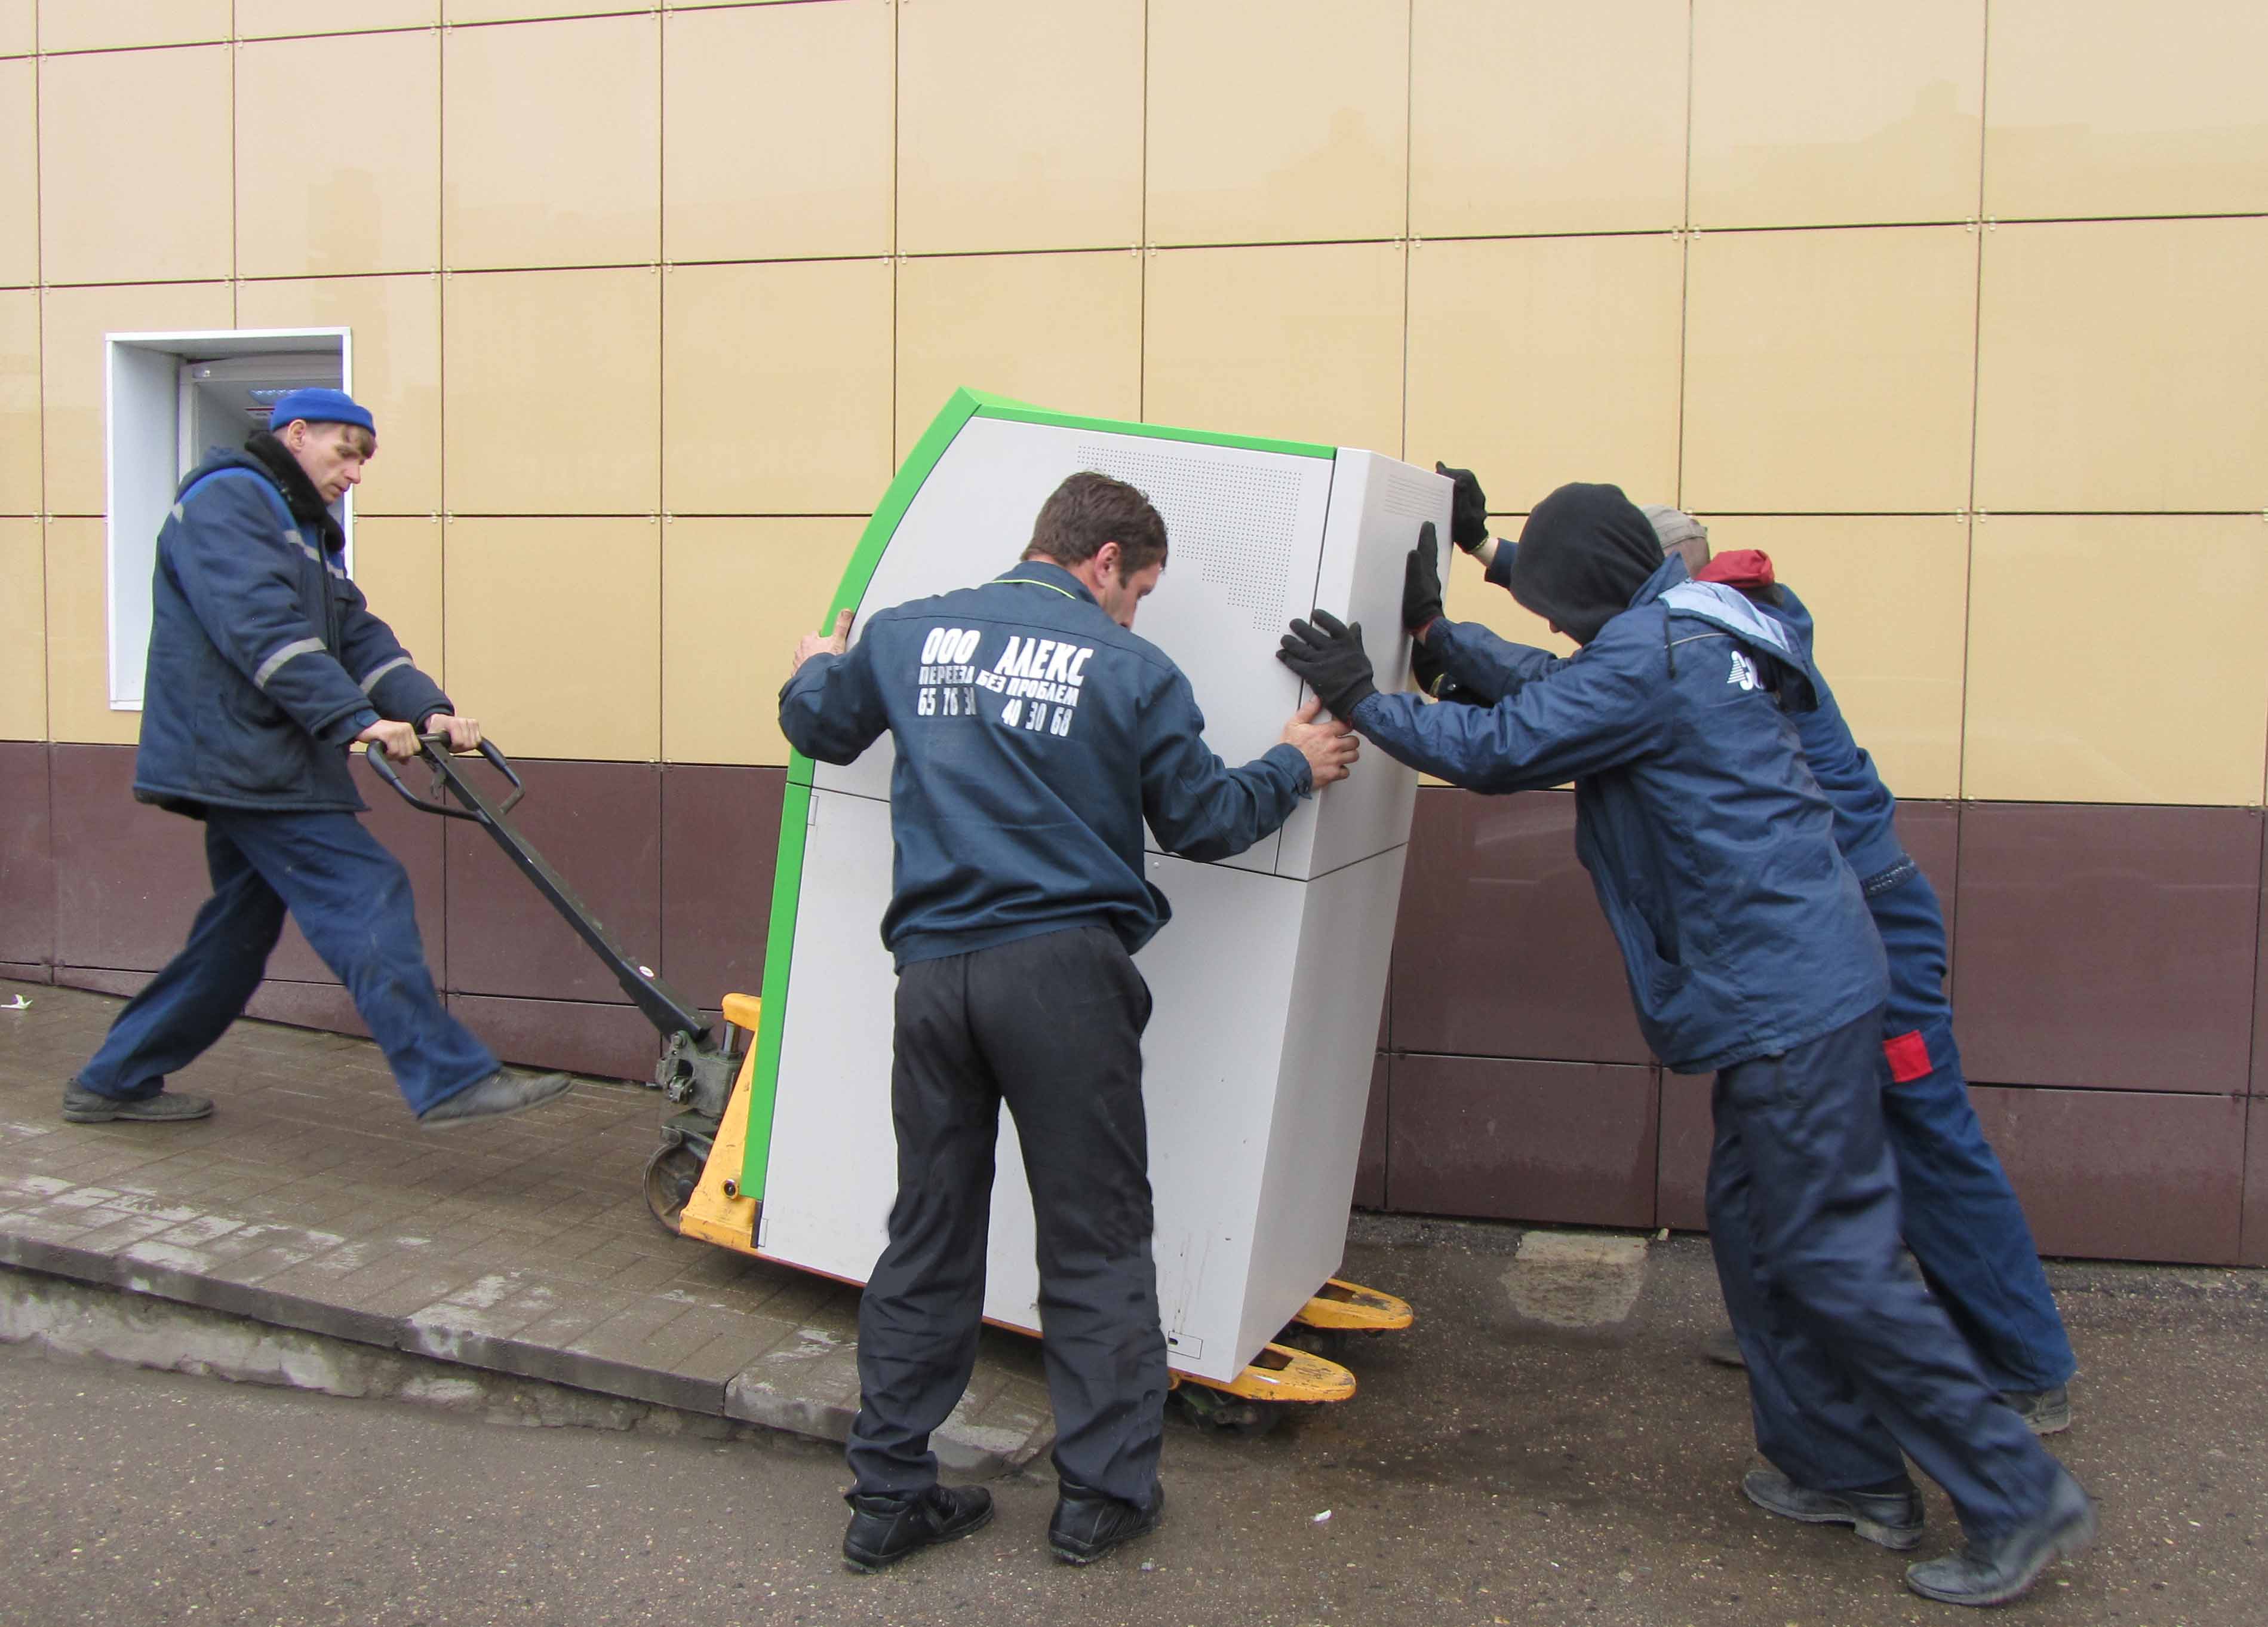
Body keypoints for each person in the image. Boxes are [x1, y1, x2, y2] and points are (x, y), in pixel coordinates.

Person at [1276, 483, 2092, 1608]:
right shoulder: (1683, 630)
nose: (1557, 625)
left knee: (1835, 1261)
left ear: (1594, 592)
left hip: (1787, 1002)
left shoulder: (1651, 658)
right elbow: (1553, 688)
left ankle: (2016, 1494)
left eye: (1561, 604)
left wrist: (1363, 695)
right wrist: (1433, 637)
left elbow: (1506, 738)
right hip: (1794, 989)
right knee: (1762, 1237)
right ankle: (1841, 1470)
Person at [779, 471, 1359, 1574]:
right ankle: (1098, 1498)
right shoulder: (1132, 667)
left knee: (929, 1229)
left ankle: (887, 1494)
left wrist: (816, 661)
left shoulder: (906, 634)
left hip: (935, 972)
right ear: (1104, 563)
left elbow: (819, 726)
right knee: (1094, 1236)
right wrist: (1295, 762)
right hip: (1061, 977)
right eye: (1138, 587)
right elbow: (1200, 817)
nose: (1135, 608)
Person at [1432, 475, 2079, 1434]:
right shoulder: (1699, 626)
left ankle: (2022, 1363)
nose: (1590, 627)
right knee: (1768, 1170)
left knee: (1923, 1135)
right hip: (1823, 928)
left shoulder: (1719, 636)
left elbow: (1576, 684)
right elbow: (1580, 664)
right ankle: (1807, 1345)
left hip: (1862, 922)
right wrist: (1483, 554)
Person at [64, 389, 568, 1132]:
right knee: (365, 888)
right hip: (246, 754)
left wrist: (425, 707)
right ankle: (447, 1076)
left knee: (233, 938)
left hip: (265, 754)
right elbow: (259, 630)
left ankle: (114, 1080)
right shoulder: (229, 502)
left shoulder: (303, 529)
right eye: (348, 451)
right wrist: (357, 721)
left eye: (367, 460)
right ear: (295, 434)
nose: (357, 473)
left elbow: (356, 636)